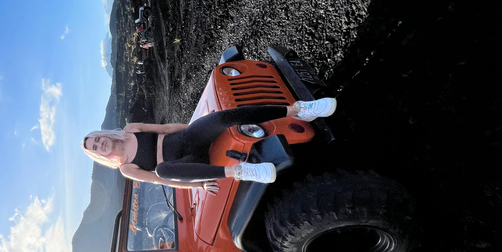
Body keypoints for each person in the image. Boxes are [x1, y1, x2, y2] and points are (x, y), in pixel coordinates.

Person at [81, 98, 337, 194]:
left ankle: (299, 110)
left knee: (222, 118)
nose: (99, 144)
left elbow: (166, 129)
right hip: (184, 165)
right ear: (98, 155)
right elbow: (164, 182)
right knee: (162, 172)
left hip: (185, 140)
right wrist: (199, 184)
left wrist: (198, 125)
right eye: (95, 147)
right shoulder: (126, 168)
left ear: (101, 135)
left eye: (96, 139)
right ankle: (241, 171)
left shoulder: (129, 130)